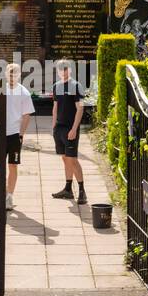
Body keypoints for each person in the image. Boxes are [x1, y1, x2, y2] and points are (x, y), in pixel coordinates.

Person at [0, 63, 33, 210]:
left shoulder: (24, 93)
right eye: (10, 73)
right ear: (6, 74)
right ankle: (3, 189)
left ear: (20, 75)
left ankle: (8, 195)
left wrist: (21, 135)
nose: (12, 76)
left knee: (12, 165)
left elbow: (26, 116)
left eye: (15, 74)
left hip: (14, 135)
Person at [50, 59, 86, 205]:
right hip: (59, 128)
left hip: (71, 129)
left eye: (65, 69)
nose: (63, 71)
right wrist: (54, 127)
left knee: (73, 159)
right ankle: (68, 189)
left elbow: (80, 108)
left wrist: (74, 129)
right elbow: (55, 107)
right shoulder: (56, 86)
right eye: (60, 69)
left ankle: (82, 191)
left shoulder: (77, 86)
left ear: (70, 70)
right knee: (65, 158)